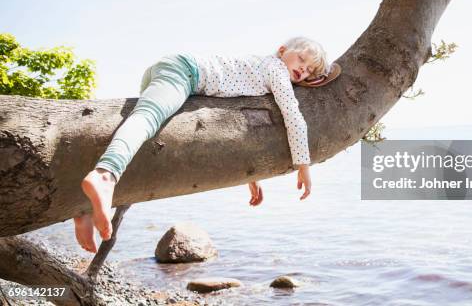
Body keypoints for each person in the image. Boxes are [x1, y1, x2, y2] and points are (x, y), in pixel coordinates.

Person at [73, 37, 332, 253]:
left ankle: (83, 206)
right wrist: (303, 165)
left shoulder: (259, 71)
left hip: (174, 71)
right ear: (282, 51)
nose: (303, 70)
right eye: (302, 60)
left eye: (310, 71)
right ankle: (106, 174)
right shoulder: (276, 69)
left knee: (143, 141)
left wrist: (250, 177)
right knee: (147, 118)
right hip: (185, 71)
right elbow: (293, 116)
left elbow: (235, 125)